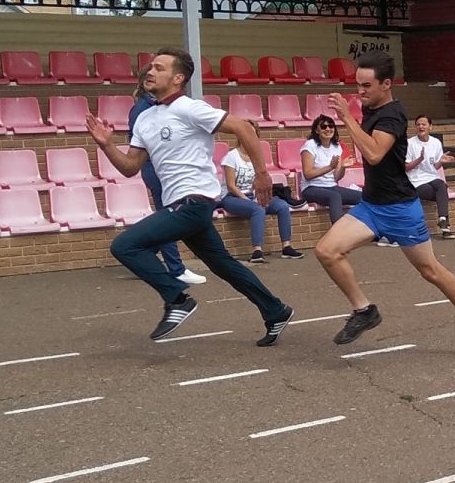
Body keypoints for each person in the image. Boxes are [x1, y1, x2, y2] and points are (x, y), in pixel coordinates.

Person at [87, 49, 293, 344]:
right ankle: (276, 311)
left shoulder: (189, 108)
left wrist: (262, 174)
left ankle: (176, 299)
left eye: (159, 68)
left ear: (178, 78)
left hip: (195, 201)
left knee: (125, 245)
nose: (150, 72)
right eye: (150, 68)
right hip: (179, 204)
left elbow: (243, 127)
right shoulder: (145, 120)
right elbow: (131, 167)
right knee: (223, 265)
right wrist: (106, 146)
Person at [315, 51, 455, 359]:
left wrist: (346, 119)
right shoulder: (370, 110)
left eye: (366, 86)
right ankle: (364, 310)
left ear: (386, 84)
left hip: (400, 209)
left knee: (430, 271)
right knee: (327, 250)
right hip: (371, 206)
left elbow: (374, 154)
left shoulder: (393, 115)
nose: (360, 91)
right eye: (358, 85)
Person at [128, 85, 205, 288]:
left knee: (168, 218)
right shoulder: (145, 109)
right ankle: (176, 269)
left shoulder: (151, 106)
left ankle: (143, 257)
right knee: (168, 219)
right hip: (157, 169)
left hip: (160, 169)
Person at [218, 147, 302, 263]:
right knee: (258, 209)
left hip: (252, 196)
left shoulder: (256, 157)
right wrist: (248, 199)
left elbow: (257, 182)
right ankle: (257, 251)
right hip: (232, 197)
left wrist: (258, 193)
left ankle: (286, 247)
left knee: (282, 206)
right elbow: (231, 186)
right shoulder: (231, 157)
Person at [405, 113, 455, 239]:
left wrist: (442, 161)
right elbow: (406, 167)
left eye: (424, 124)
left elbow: (435, 167)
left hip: (431, 177)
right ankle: (446, 227)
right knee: (439, 192)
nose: (421, 127)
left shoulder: (436, 142)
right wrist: (420, 159)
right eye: (418, 125)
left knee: (441, 185)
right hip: (415, 180)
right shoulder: (409, 143)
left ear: (430, 127)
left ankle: (443, 219)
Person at [299, 115, 358, 222]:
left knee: (363, 197)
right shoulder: (310, 145)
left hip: (331, 186)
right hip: (311, 188)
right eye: (323, 126)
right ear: (317, 130)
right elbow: (307, 175)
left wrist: (343, 167)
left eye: (331, 126)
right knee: (335, 197)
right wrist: (330, 167)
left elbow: (336, 177)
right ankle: (338, 233)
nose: (328, 129)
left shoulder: (336, 147)